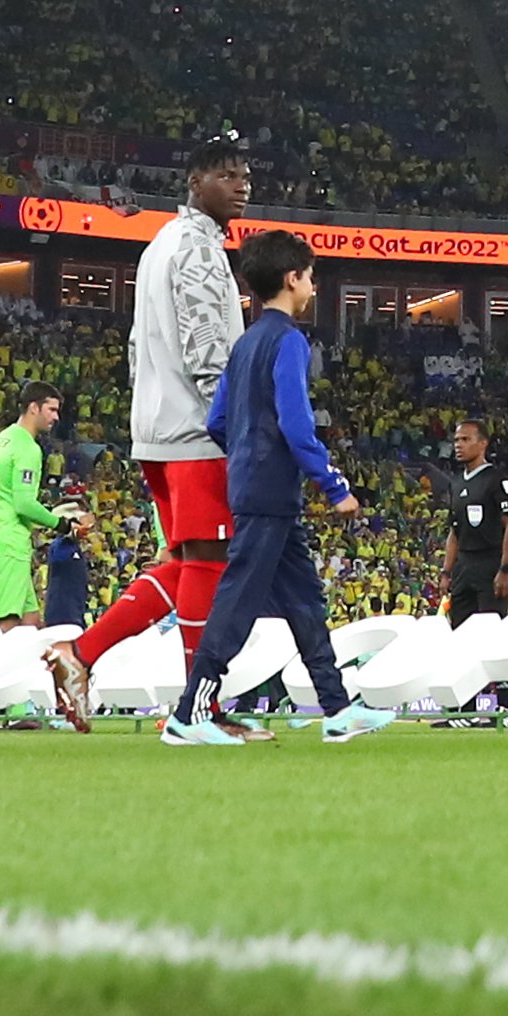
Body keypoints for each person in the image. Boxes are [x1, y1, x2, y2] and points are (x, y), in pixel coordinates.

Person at [164, 231, 386, 745]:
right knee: (237, 602)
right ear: (293, 279)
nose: (312, 285)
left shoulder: (244, 344)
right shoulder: (289, 341)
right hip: (269, 492)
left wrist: (247, 447)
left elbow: (218, 420)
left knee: (306, 601)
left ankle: (336, 709)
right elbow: (296, 423)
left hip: (257, 486)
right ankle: (188, 715)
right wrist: (333, 486)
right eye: (310, 276)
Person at [77, 139, 254, 719]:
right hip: (197, 432)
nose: (241, 185)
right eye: (226, 175)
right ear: (195, 182)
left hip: (158, 430)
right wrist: (233, 431)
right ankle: (198, 708)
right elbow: (209, 355)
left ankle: (80, 653)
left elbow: (136, 345)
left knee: (187, 561)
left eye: (245, 176)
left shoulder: (160, 246)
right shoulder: (200, 252)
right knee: (209, 563)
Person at [0, 390, 57, 623]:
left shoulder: (4, 438)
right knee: (8, 632)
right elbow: (24, 503)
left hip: (0, 539)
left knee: (31, 625)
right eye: (52, 410)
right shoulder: (27, 447)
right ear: (33, 408)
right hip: (7, 545)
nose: (56, 417)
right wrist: (61, 523)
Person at [438, 415, 508, 623]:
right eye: (456, 440)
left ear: (483, 444)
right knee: (459, 630)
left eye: (465, 440)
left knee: (490, 629)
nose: (458, 445)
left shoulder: (497, 479)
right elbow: (455, 532)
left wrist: (506, 568)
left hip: (490, 563)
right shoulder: (456, 483)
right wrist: (446, 571)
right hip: (463, 565)